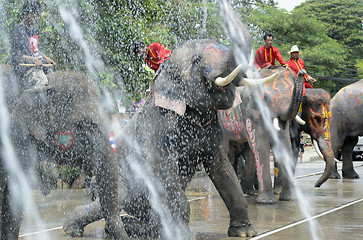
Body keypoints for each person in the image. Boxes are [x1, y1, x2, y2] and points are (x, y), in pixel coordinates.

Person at [10, 0, 57, 91]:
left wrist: (46, 58)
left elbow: (35, 50)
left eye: (39, 15)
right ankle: (36, 103)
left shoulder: (34, 30)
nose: (38, 18)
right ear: (26, 14)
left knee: (54, 79)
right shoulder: (18, 31)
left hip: (38, 65)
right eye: (35, 15)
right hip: (26, 68)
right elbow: (15, 55)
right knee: (42, 83)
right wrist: (34, 60)